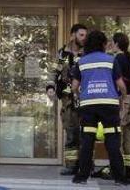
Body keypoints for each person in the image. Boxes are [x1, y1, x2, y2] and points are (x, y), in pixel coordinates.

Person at [70, 30, 129, 186]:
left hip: (88, 105)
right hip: (109, 105)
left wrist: (79, 95)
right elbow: (121, 85)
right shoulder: (111, 60)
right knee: (113, 142)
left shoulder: (81, 62)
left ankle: (82, 177)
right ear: (103, 44)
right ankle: (119, 178)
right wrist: (124, 97)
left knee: (87, 142)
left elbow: (74, 86)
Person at [55, 23, 87, 175]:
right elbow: (56, 71)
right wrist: (51, 86)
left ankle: (87, 165)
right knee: (71, 132)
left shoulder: (88, 53)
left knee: (87, 133)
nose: (84, 38)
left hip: (85, 98)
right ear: (73, 35)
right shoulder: (63, 53)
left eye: (85, 35)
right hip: (68, 100)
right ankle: (71, 166)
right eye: (81, 35)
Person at [110, 32, 130, 178]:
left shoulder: (117, 59)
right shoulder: (129, 59)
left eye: (112, 42)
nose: (111, 45)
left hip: (121, 100)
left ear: (116, 44)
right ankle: (128, 166)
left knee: (117, 135)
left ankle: (117, 168)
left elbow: (116, 80)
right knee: (127, 136)